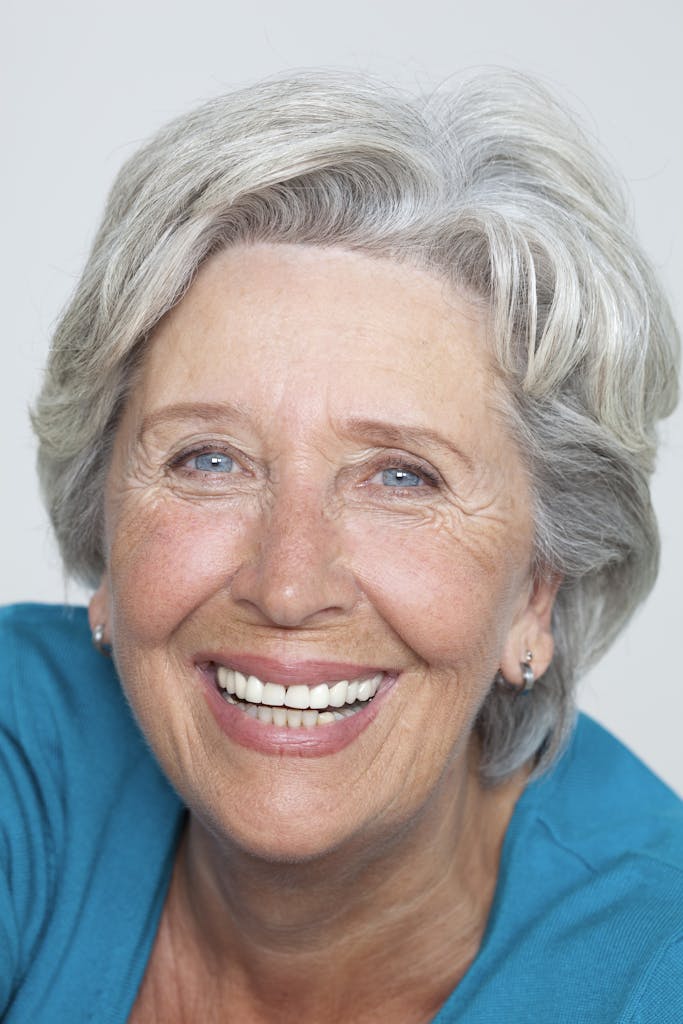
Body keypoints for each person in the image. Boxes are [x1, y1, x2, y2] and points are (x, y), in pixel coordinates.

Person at [2, 69, 681, 1023]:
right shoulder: (22, 744)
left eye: (402, 477)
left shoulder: (655, 972)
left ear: (536, 591)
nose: (287, 583)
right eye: (208, 460)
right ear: (101, 531)